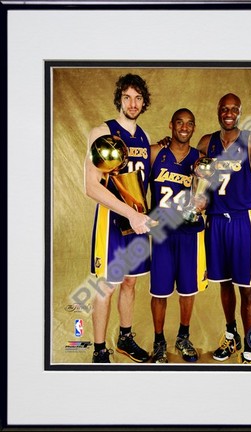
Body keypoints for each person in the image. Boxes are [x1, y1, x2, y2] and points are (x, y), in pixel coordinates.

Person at [197, 93, 251, 364]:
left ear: (240, 112)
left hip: (243, 222)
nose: (229, 112)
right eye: (224, 108)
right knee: (223, 283)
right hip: (215, 222)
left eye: (234, 109)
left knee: (246, 288)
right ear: (218, 112)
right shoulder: (206, 142)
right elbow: (194, 172)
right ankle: (231, 334)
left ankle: (250, 348)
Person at [84, 73, 153, 363]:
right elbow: (90, 186)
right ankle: (100, 350)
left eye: (138, 98)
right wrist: (130, 213)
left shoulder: (146, 137)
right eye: (127, 97)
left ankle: (125, 338)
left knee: (130, 282)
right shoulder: (102, 132)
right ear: (119, 100)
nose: (133, 103)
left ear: (144, 102)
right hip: (112, 221)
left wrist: (140, 216)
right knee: (106, 285)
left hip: (137, 223)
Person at [149, 108, 207, 363]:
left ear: (194, 128)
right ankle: (159, 341)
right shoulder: (155, 153)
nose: (184, 127)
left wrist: (203, 202)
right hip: (161, 231)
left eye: (190, 124)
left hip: (189, 232)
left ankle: (183, 336)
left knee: (187, 289)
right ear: (171, 125)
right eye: (180, 123)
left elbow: (207, 195)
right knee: (159, 292)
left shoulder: (200, 159)